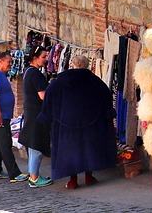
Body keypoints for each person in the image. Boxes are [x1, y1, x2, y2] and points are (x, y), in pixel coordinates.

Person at [38, 54, 117, 190]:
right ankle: (88, 177)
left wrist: (49, 116)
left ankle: (73, 181)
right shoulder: (96, 82)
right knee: (88, 149)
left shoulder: (58, 83)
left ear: (73, 65)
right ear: (86, 65)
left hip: (66, 123)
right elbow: (106, 99)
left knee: (71, 151)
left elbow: (49, 99)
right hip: (91, 122)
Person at [0, 51, 26, 183]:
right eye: (8, 62)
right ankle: (14, 173)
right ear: (0, 61)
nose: (11, 64)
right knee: (5, 144)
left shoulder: (2, 75)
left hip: (3, 115)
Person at [19, 46, 53, 187]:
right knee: (36, 145)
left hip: (31, 112)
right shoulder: (35, 74)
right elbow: (43, 95)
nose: (46, 60)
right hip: (36, 114)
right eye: (44, 57)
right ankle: (34, 177)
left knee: (34, 145)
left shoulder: (27, 72)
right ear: (35, 58)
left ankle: (33, 174)